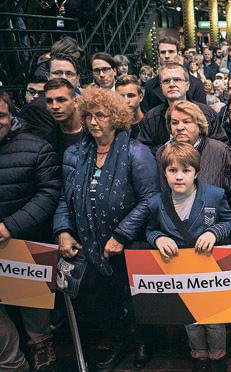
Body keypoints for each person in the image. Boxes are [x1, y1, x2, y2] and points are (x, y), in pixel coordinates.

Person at [54, 86, 159, 370]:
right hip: (88, 242)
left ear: (116, 118)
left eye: (100, 115)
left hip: (129, 242)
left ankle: (142, 341)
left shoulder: (136, 152)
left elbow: (150, 199)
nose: (93, 122)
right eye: (88, 115)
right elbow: (65, 198)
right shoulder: (75, 153)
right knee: (97, 298)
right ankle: (119, 338)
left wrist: (121, 235)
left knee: (133, 296)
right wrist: (63, 230)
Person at [146, 142, 231, 372]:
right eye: (172, 170)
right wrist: (158, 238)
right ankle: (199, 355)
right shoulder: (157, 203)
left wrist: (213, 232)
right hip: (180, 271)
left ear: (196, 172)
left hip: (209, 268)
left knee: (215, 319)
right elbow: (150, 229)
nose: (179, 176)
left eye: (185, 170)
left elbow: (230, 221)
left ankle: (218, 356)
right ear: (164, 172)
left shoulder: (214, 196)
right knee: (190, 319)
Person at [0, 92, 62, 372]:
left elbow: (49, 193)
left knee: (33, 306)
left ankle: (41, 347)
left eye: (0, 115)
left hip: (27, 240)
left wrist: (10, 226)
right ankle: (12, 362)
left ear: (11, 114)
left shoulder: (37, 147)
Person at [138, 63, 226, 153]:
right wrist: (166, 151)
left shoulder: (207, 114)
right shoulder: (151, 118)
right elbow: (143, 151)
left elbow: (221, 148)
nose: (172, 84)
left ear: (187, 85)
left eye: (177, 80)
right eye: (166, 81)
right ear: (161, 87)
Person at [159, 100, 231, 200]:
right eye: (174, 123)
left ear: (199, 125)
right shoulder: (163, 152)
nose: (179, 127)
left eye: (186, 122)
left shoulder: (220, 151)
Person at [141, 36, 207, 112]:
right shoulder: (150, 85)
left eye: (171, 52)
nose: (167, 56)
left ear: (178, 54)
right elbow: (147, 114)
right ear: (159, 55)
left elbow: (202, 113)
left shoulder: (196, 84)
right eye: (163, 52)